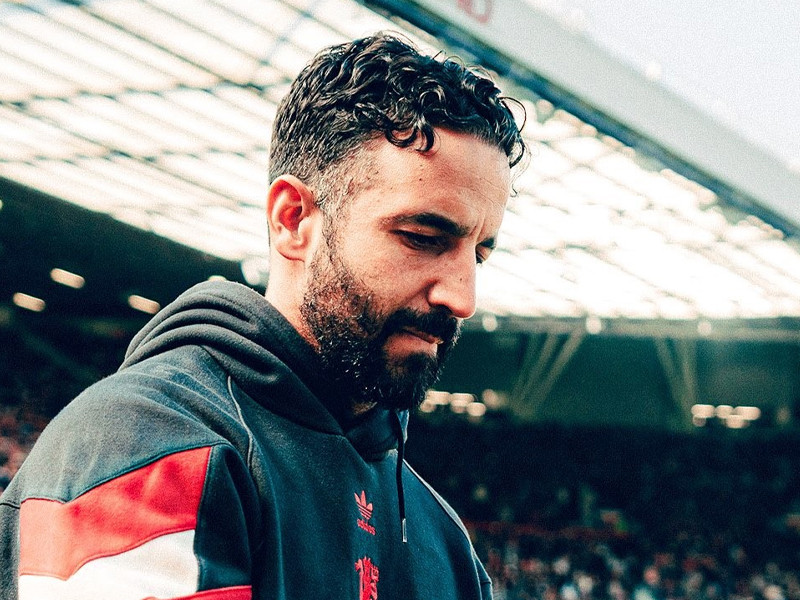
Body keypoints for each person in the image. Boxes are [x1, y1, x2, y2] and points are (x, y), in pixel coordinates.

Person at [0, 32, 526, 599]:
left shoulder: (447, 545)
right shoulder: (146, 448)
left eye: (478, 254)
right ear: (293, 219)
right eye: (422, 237)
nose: (463, 298)